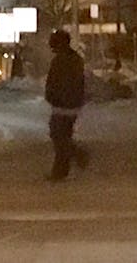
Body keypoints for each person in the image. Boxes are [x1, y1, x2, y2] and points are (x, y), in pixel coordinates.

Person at [45, 28, 89, 181]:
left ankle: (72, 159)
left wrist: (52, 96)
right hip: (73, 104)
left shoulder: (60, 60)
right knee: (63, 136)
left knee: (59, 137)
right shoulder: (75, 59)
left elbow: (54, 82)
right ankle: (61, 169)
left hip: (62, 105)